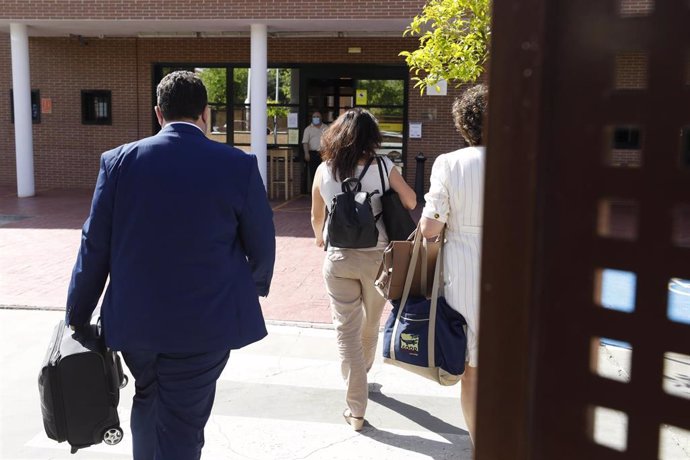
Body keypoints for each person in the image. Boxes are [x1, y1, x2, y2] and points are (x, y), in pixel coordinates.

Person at [65, 70, 276, 460]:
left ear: (158, 113)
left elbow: (94, 247)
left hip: (136, 323)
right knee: (182, 417)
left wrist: (77, 314)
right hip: (207, 322)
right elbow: (262, 245)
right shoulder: (238, 165)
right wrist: (248, 289)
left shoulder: (118, 162)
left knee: (152, 400)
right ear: (206, 114)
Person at [310, 108, 416, 431]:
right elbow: (411, 201)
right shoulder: (384, 167)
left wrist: (319, 239)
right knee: (371, 325)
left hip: (339, 259)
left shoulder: (324, 170)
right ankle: (363, 372)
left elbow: (317, 216)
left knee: (346, 332)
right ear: (372, 138)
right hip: (378, 260)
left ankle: (355, 406)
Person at [419, 84, 487, 443]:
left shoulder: (450, 163)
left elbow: (431, 226)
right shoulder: (528, 161)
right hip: (512, 267)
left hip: (463, 272)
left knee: (472, 369)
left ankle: (481, 443)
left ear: (465, 124)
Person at [302, 111, 327, 190]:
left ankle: (323, 190)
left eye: (318, 117)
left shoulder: (326, 128)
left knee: (324, 173)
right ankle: (314, 191)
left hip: (324, 153)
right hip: (312, 153)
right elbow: (305, 142)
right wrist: (306, 153)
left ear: (321, 118)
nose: (316, 118)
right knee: (314, 173)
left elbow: (329, 141)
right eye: (314, 117)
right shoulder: (308, 129)